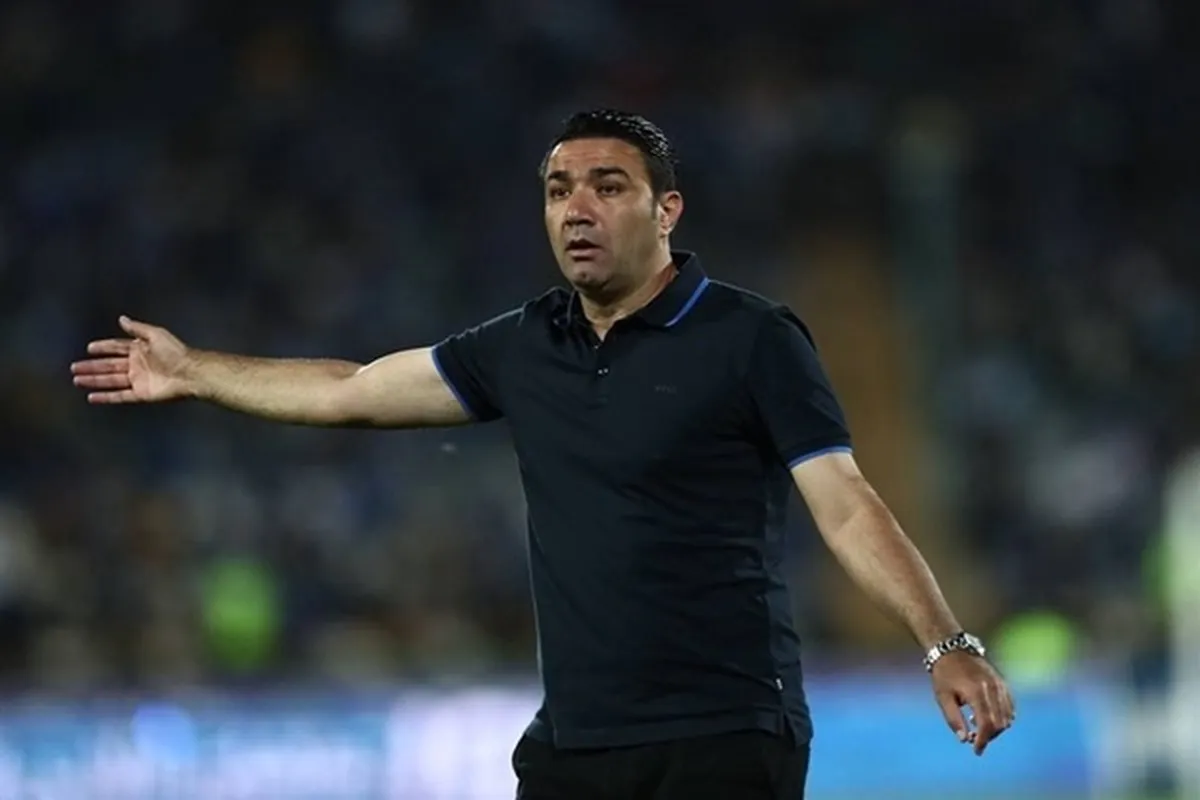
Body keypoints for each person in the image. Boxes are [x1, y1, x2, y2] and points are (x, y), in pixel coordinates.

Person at [71, 109, 1015, 799]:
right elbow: (350, 390)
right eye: (560, 191)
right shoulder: (525, 345)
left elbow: (844, 503)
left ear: (667, 210)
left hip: (724, 735)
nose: (577, 209)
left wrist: (945, 641)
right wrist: (193, 370)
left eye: (608, 187)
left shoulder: (753, 338)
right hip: (576, 745)